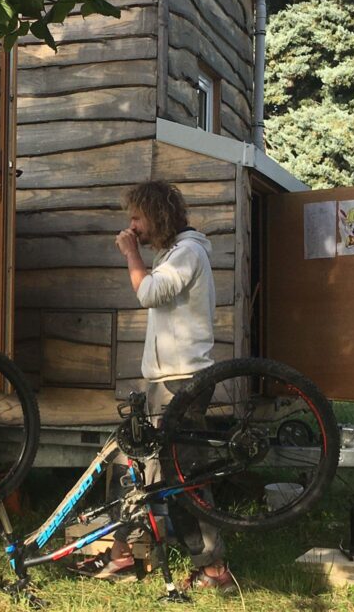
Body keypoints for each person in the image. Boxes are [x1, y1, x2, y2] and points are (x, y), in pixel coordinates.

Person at [84, 180, 234, 593]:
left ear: (158, 216)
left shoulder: (187, 253)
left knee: (183, 474)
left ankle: (215, 570)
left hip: (182, 382)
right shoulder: (173, 254)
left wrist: (132, 255)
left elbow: (148, 292)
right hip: (165, 382)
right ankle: (124, 549)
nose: (132, 225)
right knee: (140, 465)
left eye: (137, 217)